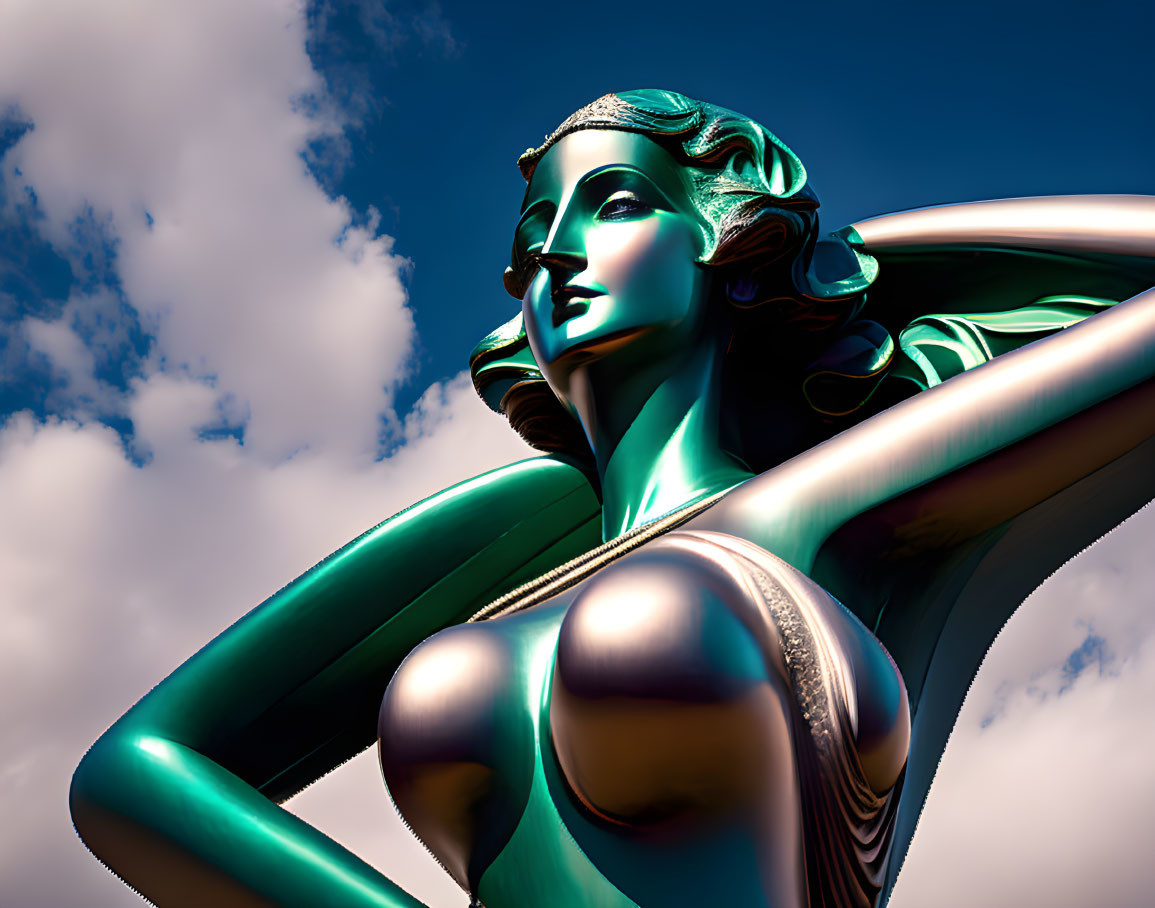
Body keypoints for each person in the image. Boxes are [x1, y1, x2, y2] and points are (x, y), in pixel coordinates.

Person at [70, 90, 1155, 908]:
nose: (551, 249)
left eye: (617, 202)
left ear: (730, 237)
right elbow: (138, 771)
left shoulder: (832, 507)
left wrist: (853, 261)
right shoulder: (516, 538)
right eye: (532, 232)